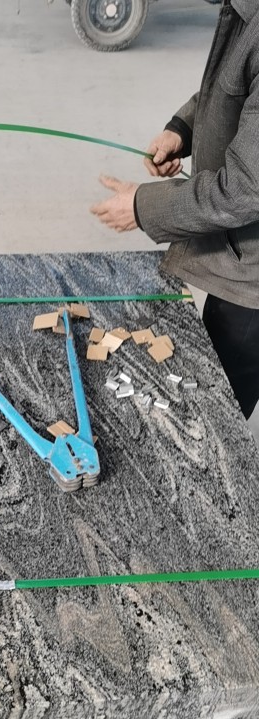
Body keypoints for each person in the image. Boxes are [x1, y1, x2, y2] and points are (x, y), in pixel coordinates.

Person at [91, 0, 259, 420]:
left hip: (254, 284)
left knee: (215, 415)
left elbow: (244, 189)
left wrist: (143, 207)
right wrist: (182, 129)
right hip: (242, 258)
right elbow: (230, 87)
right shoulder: (246, 10)